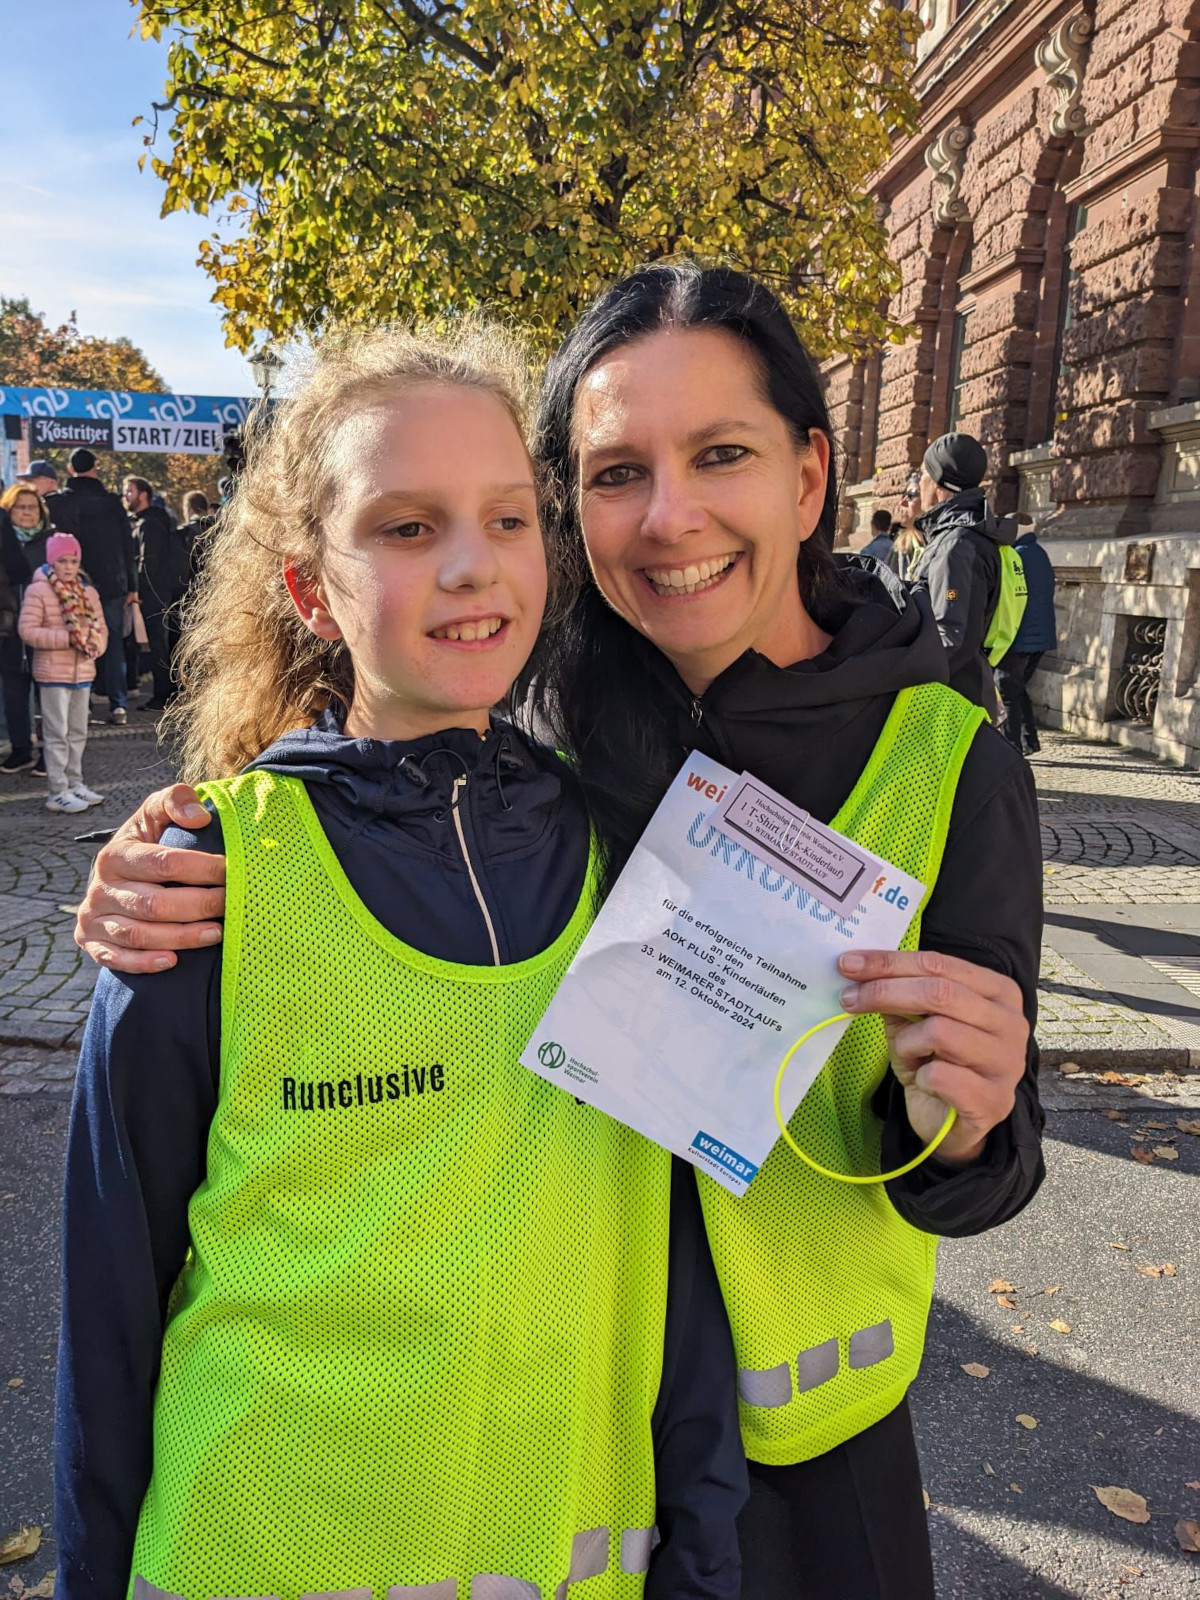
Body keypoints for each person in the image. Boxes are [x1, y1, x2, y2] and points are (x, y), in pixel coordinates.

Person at [75, 266, 1044, 1600]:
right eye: (612, 473)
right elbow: (361, 781)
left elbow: (984, 1164)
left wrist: (974, 1117)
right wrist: (166, 857)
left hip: (805, 1468)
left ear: (811, 477)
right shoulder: (532, 723)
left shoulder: (947, 757)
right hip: (557, 1454)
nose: (670, 516)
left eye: (721, 456)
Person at [54, 323, 745, 1600]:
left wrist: (699, 1564)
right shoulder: (205, 887)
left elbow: (683, 1287)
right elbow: (108, 1321)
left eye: (507, 517)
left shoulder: (641, 874)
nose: (475, 567)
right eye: (408, 528)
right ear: (313, 587)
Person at [908, 432, 1024, 711]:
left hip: (948, 702)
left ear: (937, 483)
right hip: (958, 691)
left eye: (923, 474)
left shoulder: (957, 545)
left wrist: (897, 675)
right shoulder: (961, 537)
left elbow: (951, 637)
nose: (920, 482)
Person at [46, 449, 137, 724]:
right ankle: (118, 704)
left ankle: (82, 705)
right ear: (95, 468)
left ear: (71, 470)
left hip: (74, 580)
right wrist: (132, 586)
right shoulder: (112, 503)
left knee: (78, 640)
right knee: (113, 645)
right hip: (113, 582)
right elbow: (128, 545)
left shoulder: (59, 502)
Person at [17, 532, 106, 813]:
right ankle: (57, 789)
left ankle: (75, 781)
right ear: (52, 562)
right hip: (53, 672)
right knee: (57, 732)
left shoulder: (88, 592)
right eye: (63, 561)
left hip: (82, 671)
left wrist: (95, 645)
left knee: (78, 732)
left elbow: (101, 629)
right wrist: (67, 638)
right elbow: (28, 630)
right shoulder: (39, 591)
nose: (69, 567)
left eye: (73, 561)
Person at [124, 476, 191, 709]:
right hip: (168, 589)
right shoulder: (161, 520)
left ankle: (163, 695)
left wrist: (139, 588)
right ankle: (172, 692)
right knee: (169, 641)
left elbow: (148, 560)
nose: (126, 496)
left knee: (158, 643)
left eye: (129, 491)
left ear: (143, 494)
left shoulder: (148, 523)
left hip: (155, 591)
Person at [0, 481, 51, 773]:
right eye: (20, 507)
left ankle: (48, 752)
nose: (27, 513)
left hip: (44, 631)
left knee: (46, 695)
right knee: (13, 692)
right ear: (9, 510)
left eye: (32, 507)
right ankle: (21, 749)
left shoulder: (50, 541)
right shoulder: (4, 540)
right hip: (8, 629)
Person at [994, 524, 1057, 757]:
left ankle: (1011, 752)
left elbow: (1010, 598)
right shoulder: (1039, 552)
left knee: (1006, 690)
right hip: (1040, 636)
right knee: (1017, 689)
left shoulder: (1015, 556)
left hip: (1019, 636)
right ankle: (1029, 739)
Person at [892, 472, 924, 580]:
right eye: (903, 495)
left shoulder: (942, 545)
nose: (902, 502)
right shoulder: (900, 546)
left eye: (911, 494)